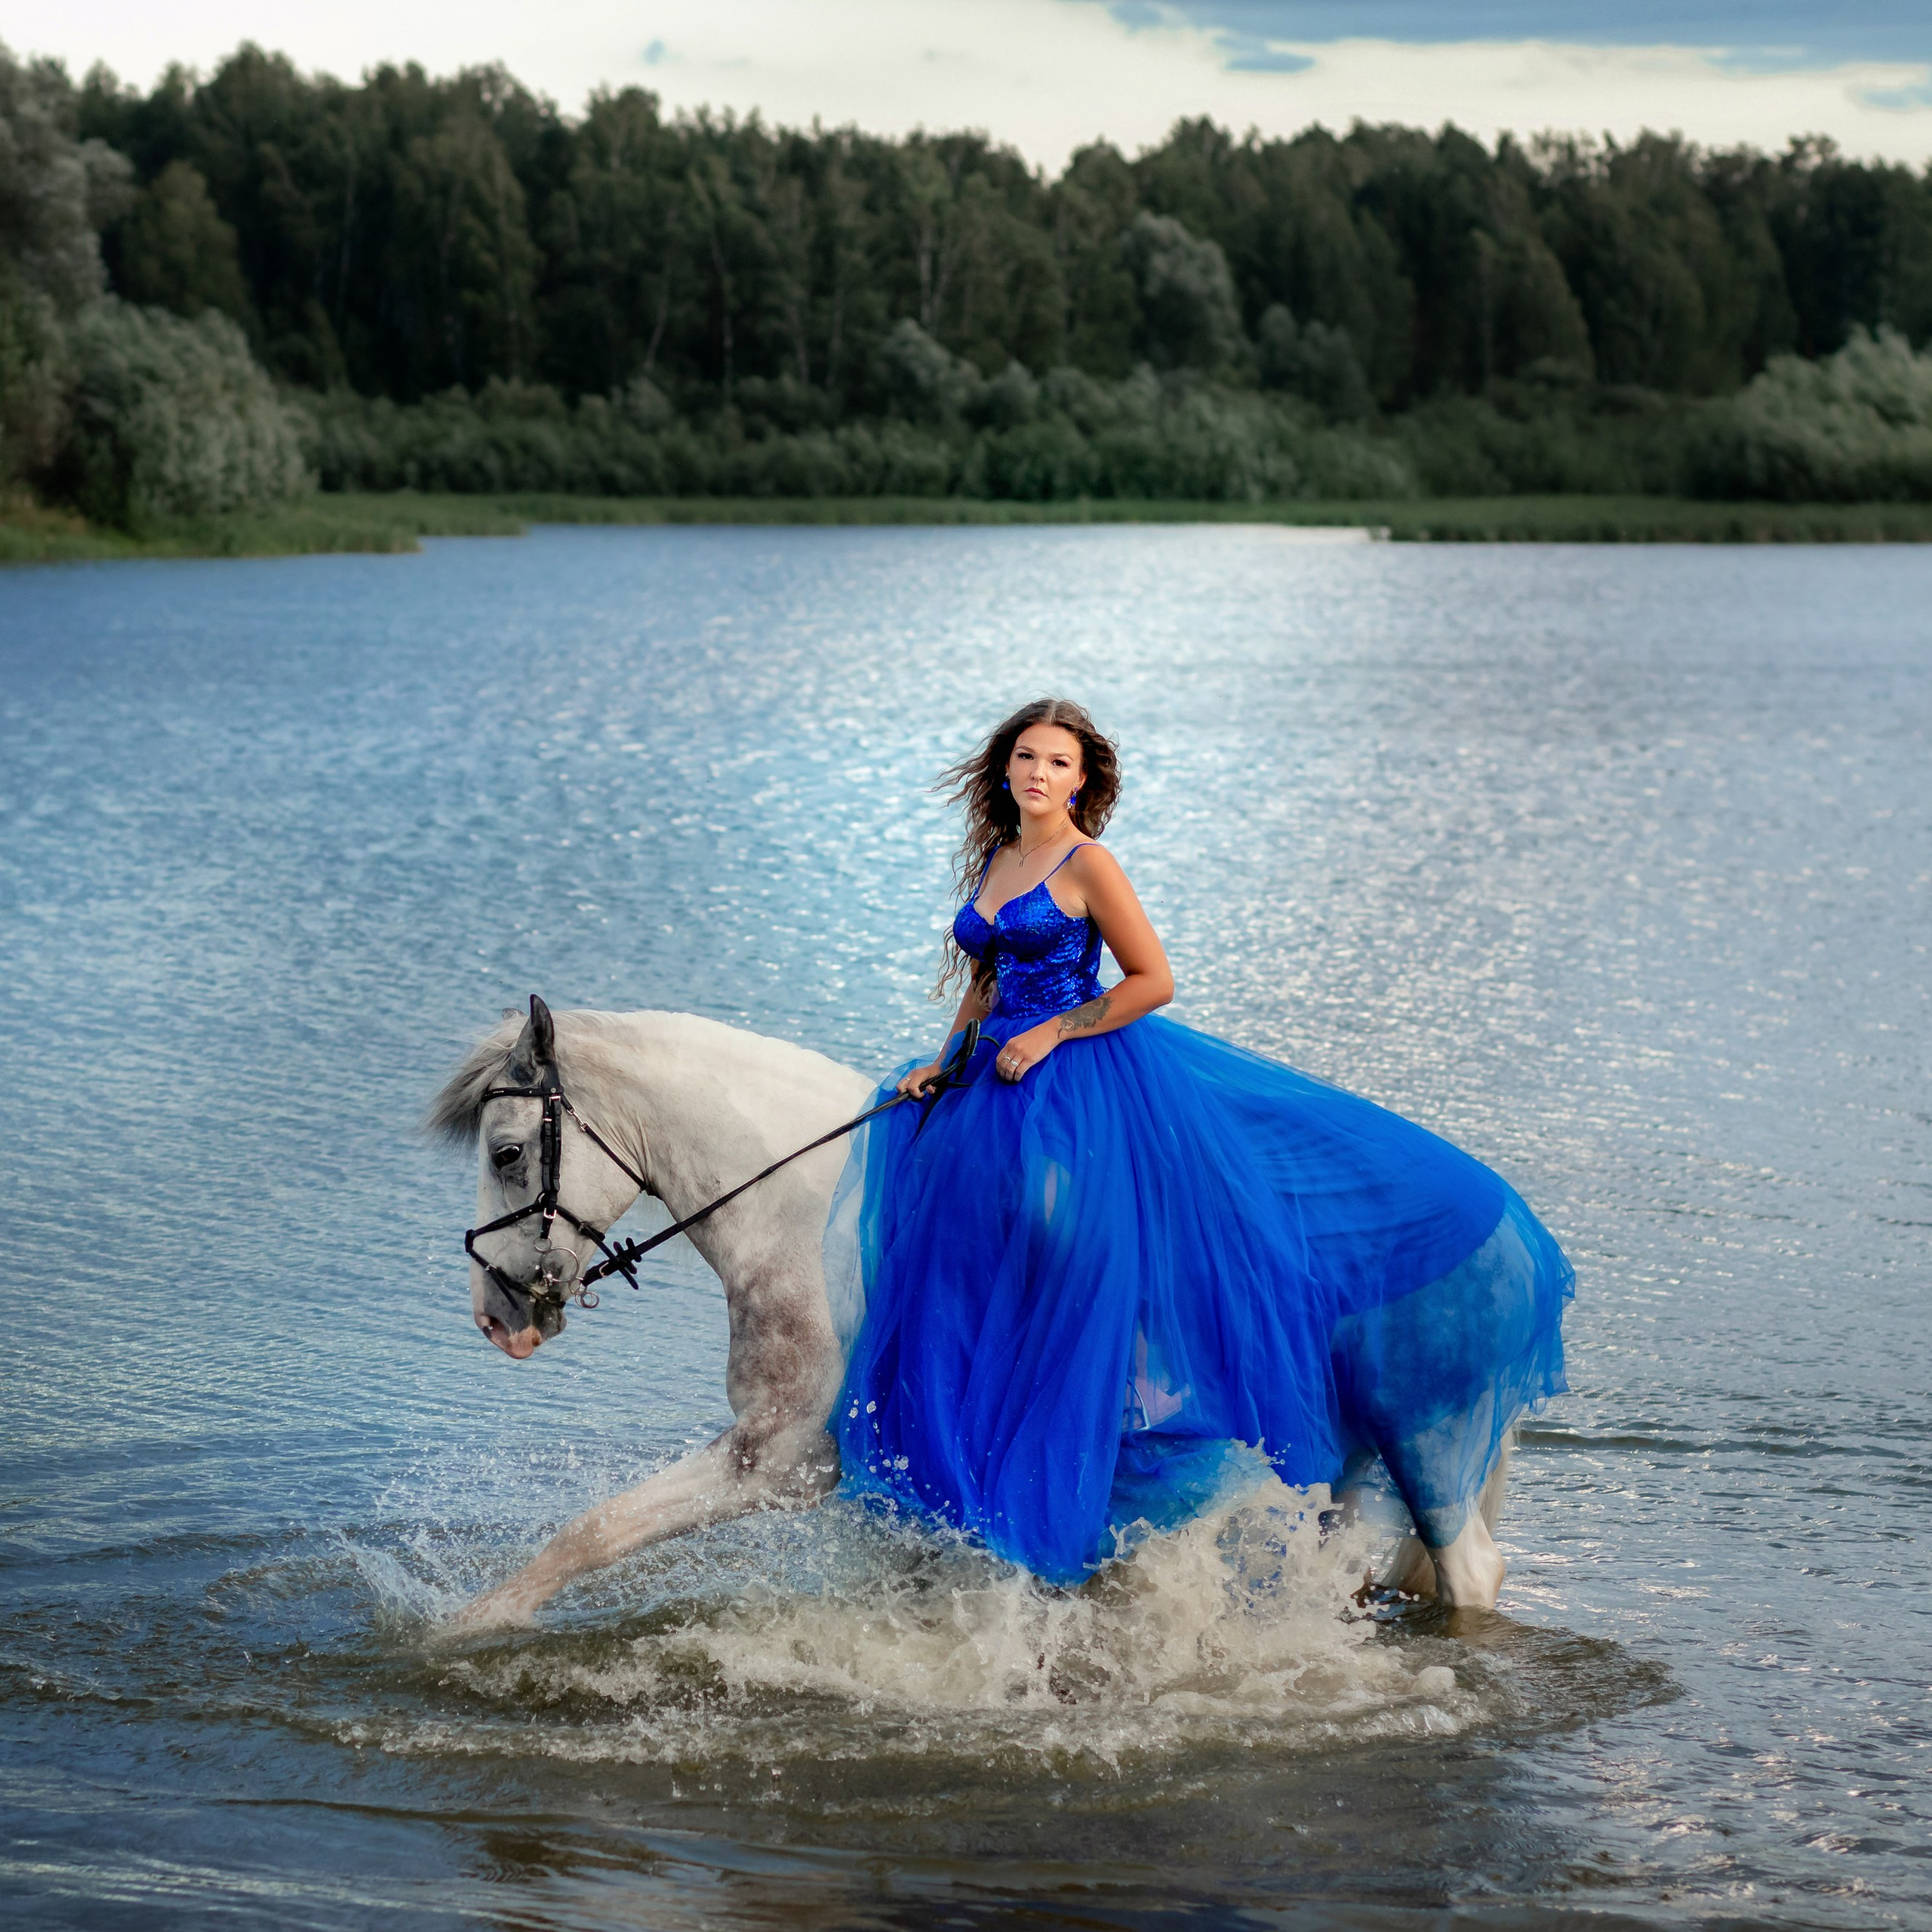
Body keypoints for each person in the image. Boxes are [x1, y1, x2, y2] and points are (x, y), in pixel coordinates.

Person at [827, 697, 1573, 1604]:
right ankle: (964, 1448)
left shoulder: (1087, 863)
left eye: (1057, 763)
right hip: (993, 1075)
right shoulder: (999, 857)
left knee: (1072, 1238)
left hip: (1073, 1077)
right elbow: (987, 982)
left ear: (1082, 782)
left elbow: (1153, 980)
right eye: (1025, 757)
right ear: (1004, 768)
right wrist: (945, 1064)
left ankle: (1123, 1412)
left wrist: (1054, 1032)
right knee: (945, 1235)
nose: (1037, 773)